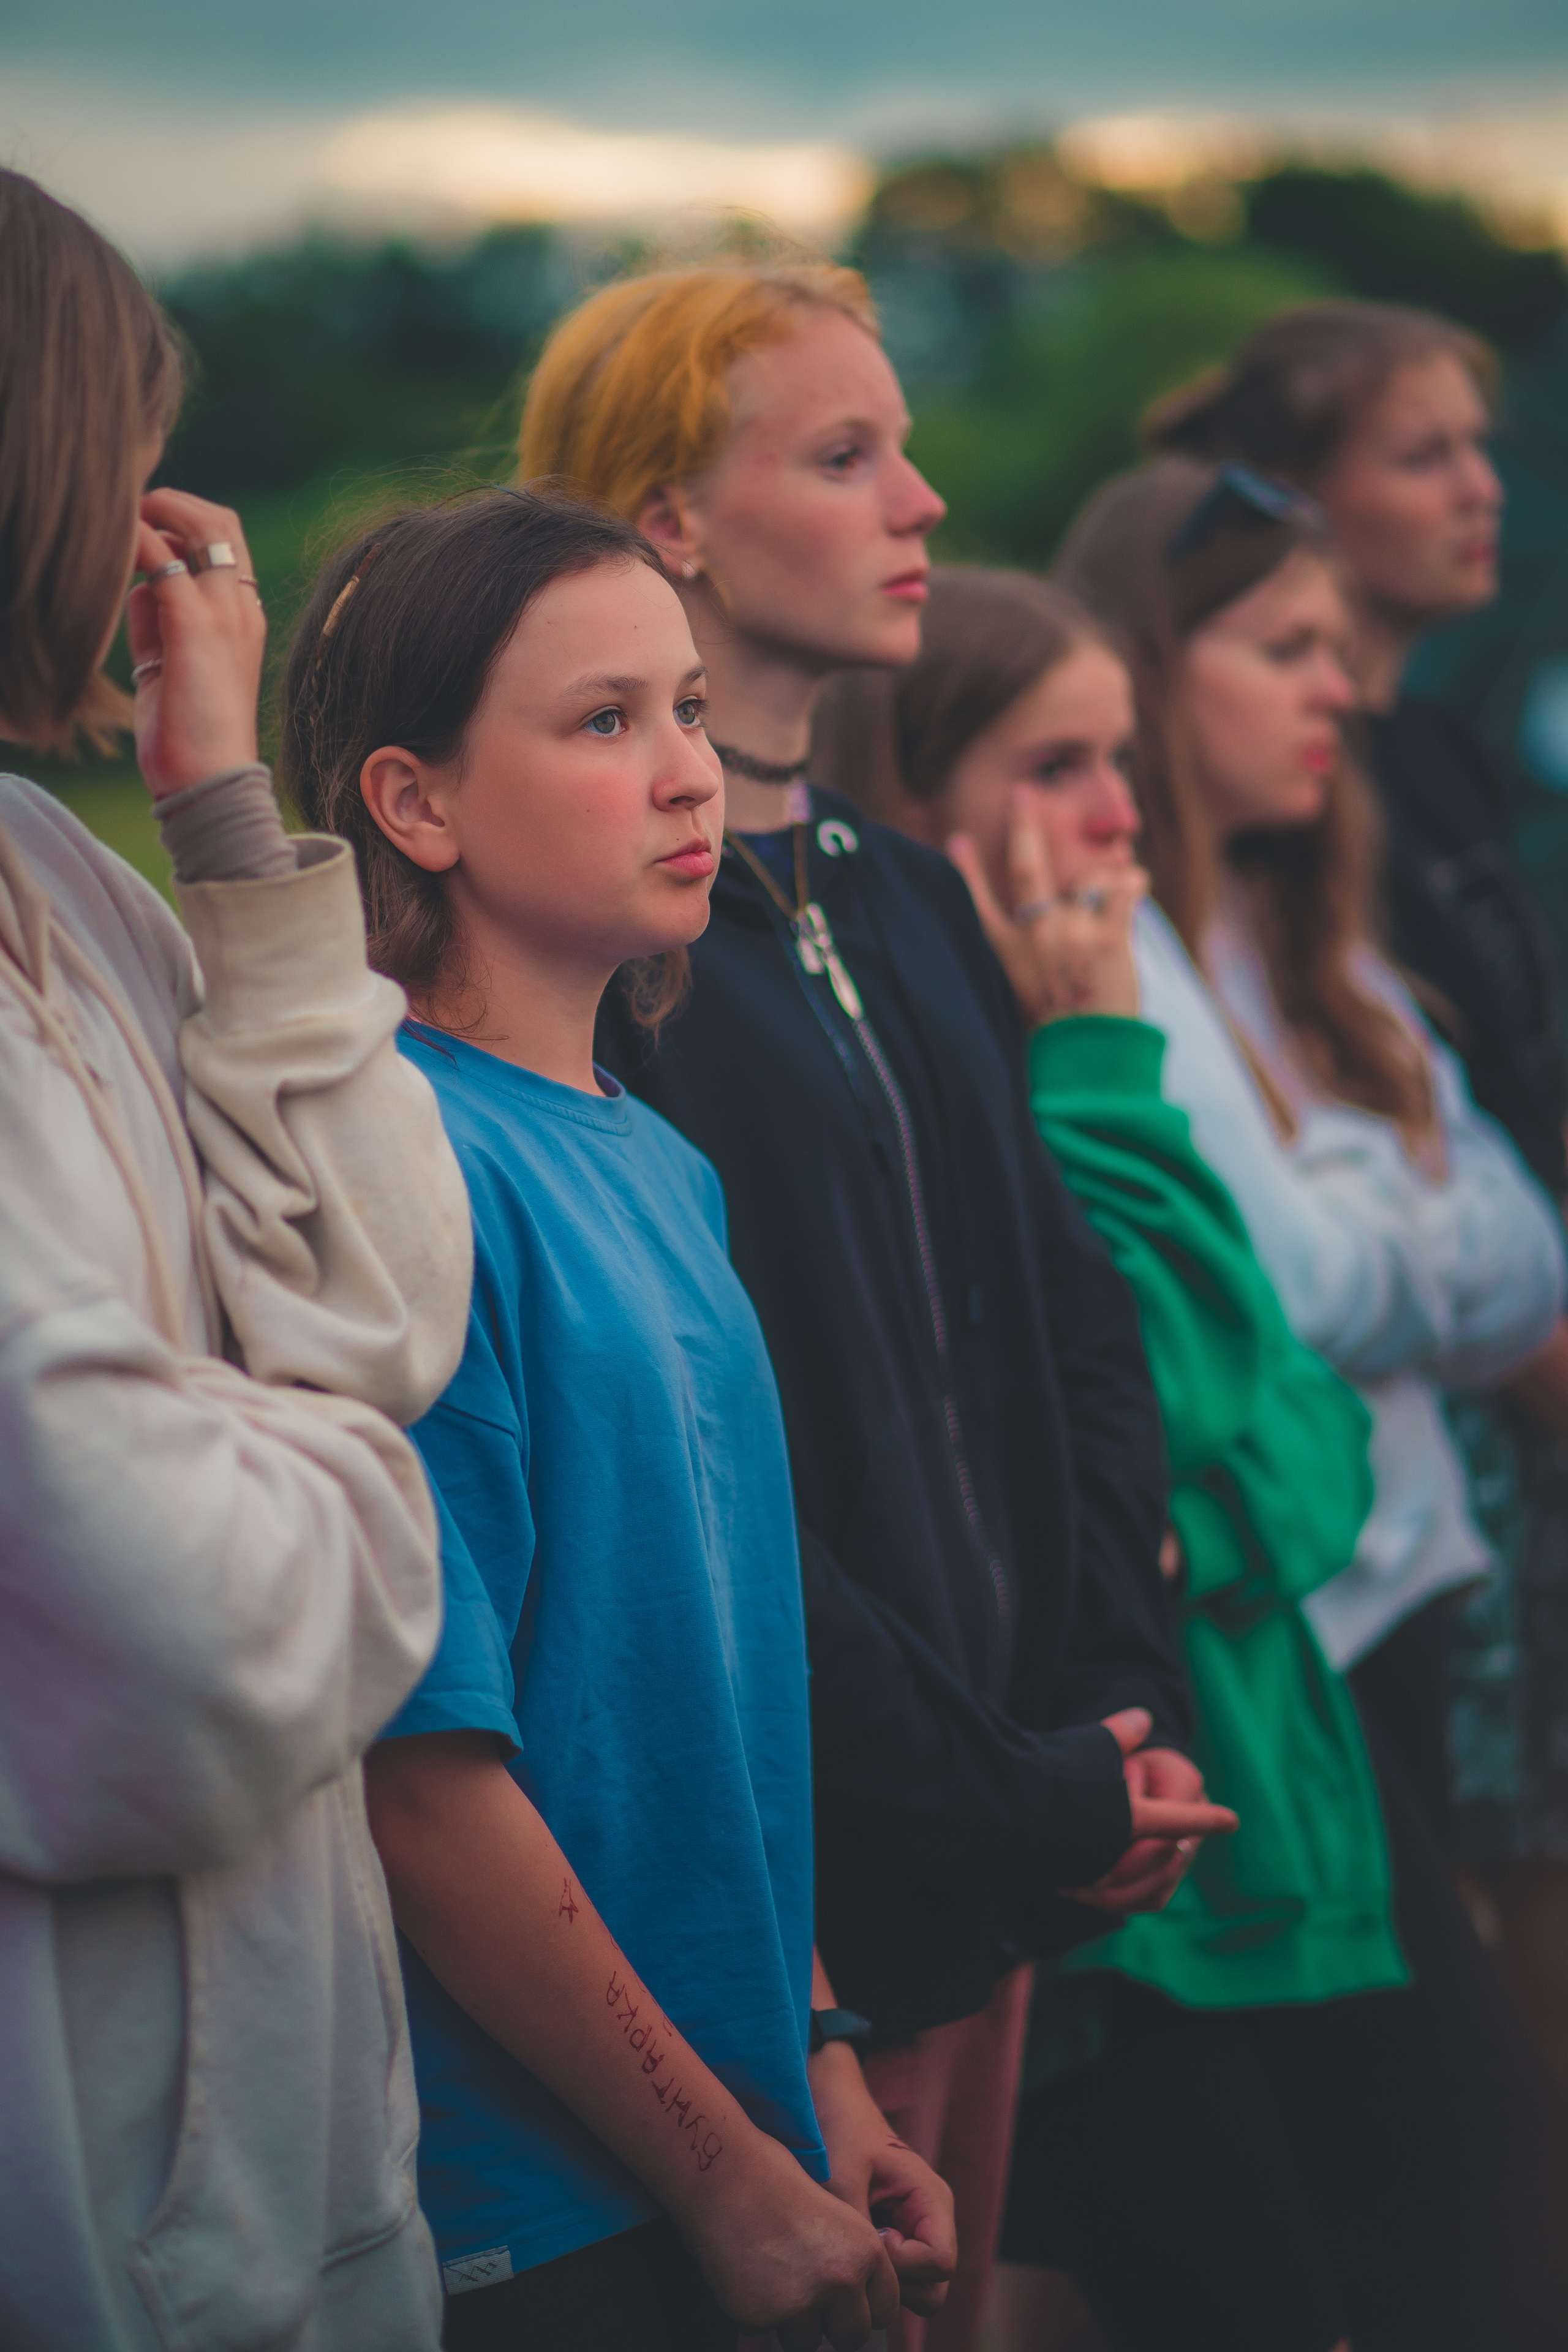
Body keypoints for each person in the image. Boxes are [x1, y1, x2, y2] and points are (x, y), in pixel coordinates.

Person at [517, 262, 1237, 2352]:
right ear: (670, 520)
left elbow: (1071, 1323)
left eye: (905, 448)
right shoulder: (619, 960)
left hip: (1024, 1828)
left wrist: (1119, 1710)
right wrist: (1003, 1788)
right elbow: (725, 1483)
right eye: (847, 456)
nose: (923, 503)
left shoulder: (908, 887)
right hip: (809, 1891)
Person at [281, 484, 960, 2352]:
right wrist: (720, 2174)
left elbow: (705, 1694)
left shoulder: (660, 1163)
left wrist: (818, 2068)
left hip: (748, 2142)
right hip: (555, 2205)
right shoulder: (406, 1163)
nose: (687, 774)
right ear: (414, 803)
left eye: (688, 708)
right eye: (603, 721)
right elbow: (428, 1778)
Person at [816, 563, 1437, 2352]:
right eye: (1054, 767)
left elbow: (1316, 1458)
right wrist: (1095, 1064)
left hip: (1261, 1831)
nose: (1115, 817)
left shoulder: (1097, 1033)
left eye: (1118, 761)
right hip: (1129, 1889)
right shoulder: (997, 1081)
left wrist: (1197, 1524)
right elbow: (1182, 1415)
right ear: (912, 806)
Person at [0, 170, 475, 2352]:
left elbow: (385, 1308)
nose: (144, 511)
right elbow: (176, 1626)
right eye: (120, 439)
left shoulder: (61, 872)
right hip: (89, 2220)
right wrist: (362, 1487)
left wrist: (219, 820)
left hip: (286, 2195)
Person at [1056, 451, 1568, 2352]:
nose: (1339, 691)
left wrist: (1350, 1203)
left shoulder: (1310, 940)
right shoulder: (1126, 950)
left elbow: (1528, 1258)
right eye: (1284, 649)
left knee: (1429, 2181)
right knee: (1460, 2169)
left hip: (1407, 1604)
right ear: (1154, 660)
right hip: (1288, 1645)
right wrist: (1388, 1194)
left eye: (1339, 650)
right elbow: (1294, 1293)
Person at [1147, 303, 1568, 2081]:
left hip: (1439, 1508)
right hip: (1364, 1539)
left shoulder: (1409, 788)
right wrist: (1425, 1229)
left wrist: (1408, 1215)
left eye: (1482, 444)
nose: (1483, 488)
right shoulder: (1201, 903)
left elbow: (1503, 1213)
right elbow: (1299, 1268)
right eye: (1424, 452)